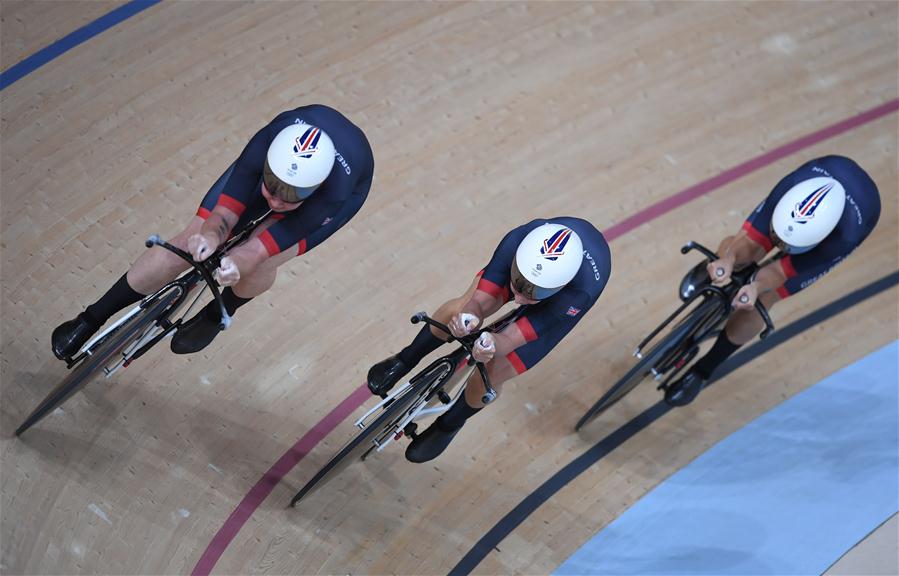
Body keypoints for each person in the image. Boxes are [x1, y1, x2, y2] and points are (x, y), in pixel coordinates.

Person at [52, 104, 374, 359]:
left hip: (347, 190)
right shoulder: (267, 142)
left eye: (287, 196)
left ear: (312, 190)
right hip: (285, 154)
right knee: (185, 244)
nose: (274, 199)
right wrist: (207, 238)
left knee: (261, 261)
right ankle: (91, 318)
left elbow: (256, 250)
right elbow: (223, 214)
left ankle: (218, 314)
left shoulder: (334, 192)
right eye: (271, 185)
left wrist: (237, 265)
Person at [368, 218, 611, 463]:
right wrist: (468, 318)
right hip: (528, 271)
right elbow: (478, 303)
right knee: (460, 309)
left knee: (496, 369)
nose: (518, 299)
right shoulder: (517, 240)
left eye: (534, 293)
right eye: (518, 286)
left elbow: (509, 340)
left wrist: (491, 345)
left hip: (562, 301)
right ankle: (405, 359)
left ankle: (449, 424)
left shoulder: (578, 294)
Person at [665, 155, 881, 406]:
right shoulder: (791, 187)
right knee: (744, 248)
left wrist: (756, 287)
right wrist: (729, 258)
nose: (781, 245)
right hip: (823, 172)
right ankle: (713, 266)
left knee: (767, 297)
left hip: (858, 217)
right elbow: (746, 240)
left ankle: (702, 371)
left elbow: (780, 273)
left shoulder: (843, 238)